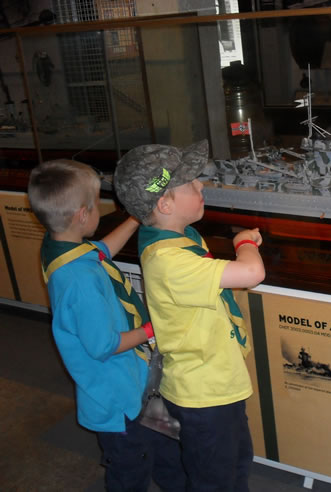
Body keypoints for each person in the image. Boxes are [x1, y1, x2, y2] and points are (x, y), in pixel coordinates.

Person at [113, 140, 266, 492]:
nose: (201, 185)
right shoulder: (169, 261)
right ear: (164, 204)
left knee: (236, 462)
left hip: (215, 380)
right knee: (214, 477)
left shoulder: (177, 238)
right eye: (190, 183)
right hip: (204, 393)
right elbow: (252, 273)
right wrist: (244, 243)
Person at [28, 159, 185, 492]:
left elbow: (100, 251)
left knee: (167, 451)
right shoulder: (79, 281)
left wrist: (136, 216)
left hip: (136, 382)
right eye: (97, 203)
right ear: (82, 215)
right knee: (131, 469)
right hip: (121, 400)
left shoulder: (61, 248)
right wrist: (153, 329)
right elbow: (105, 346)